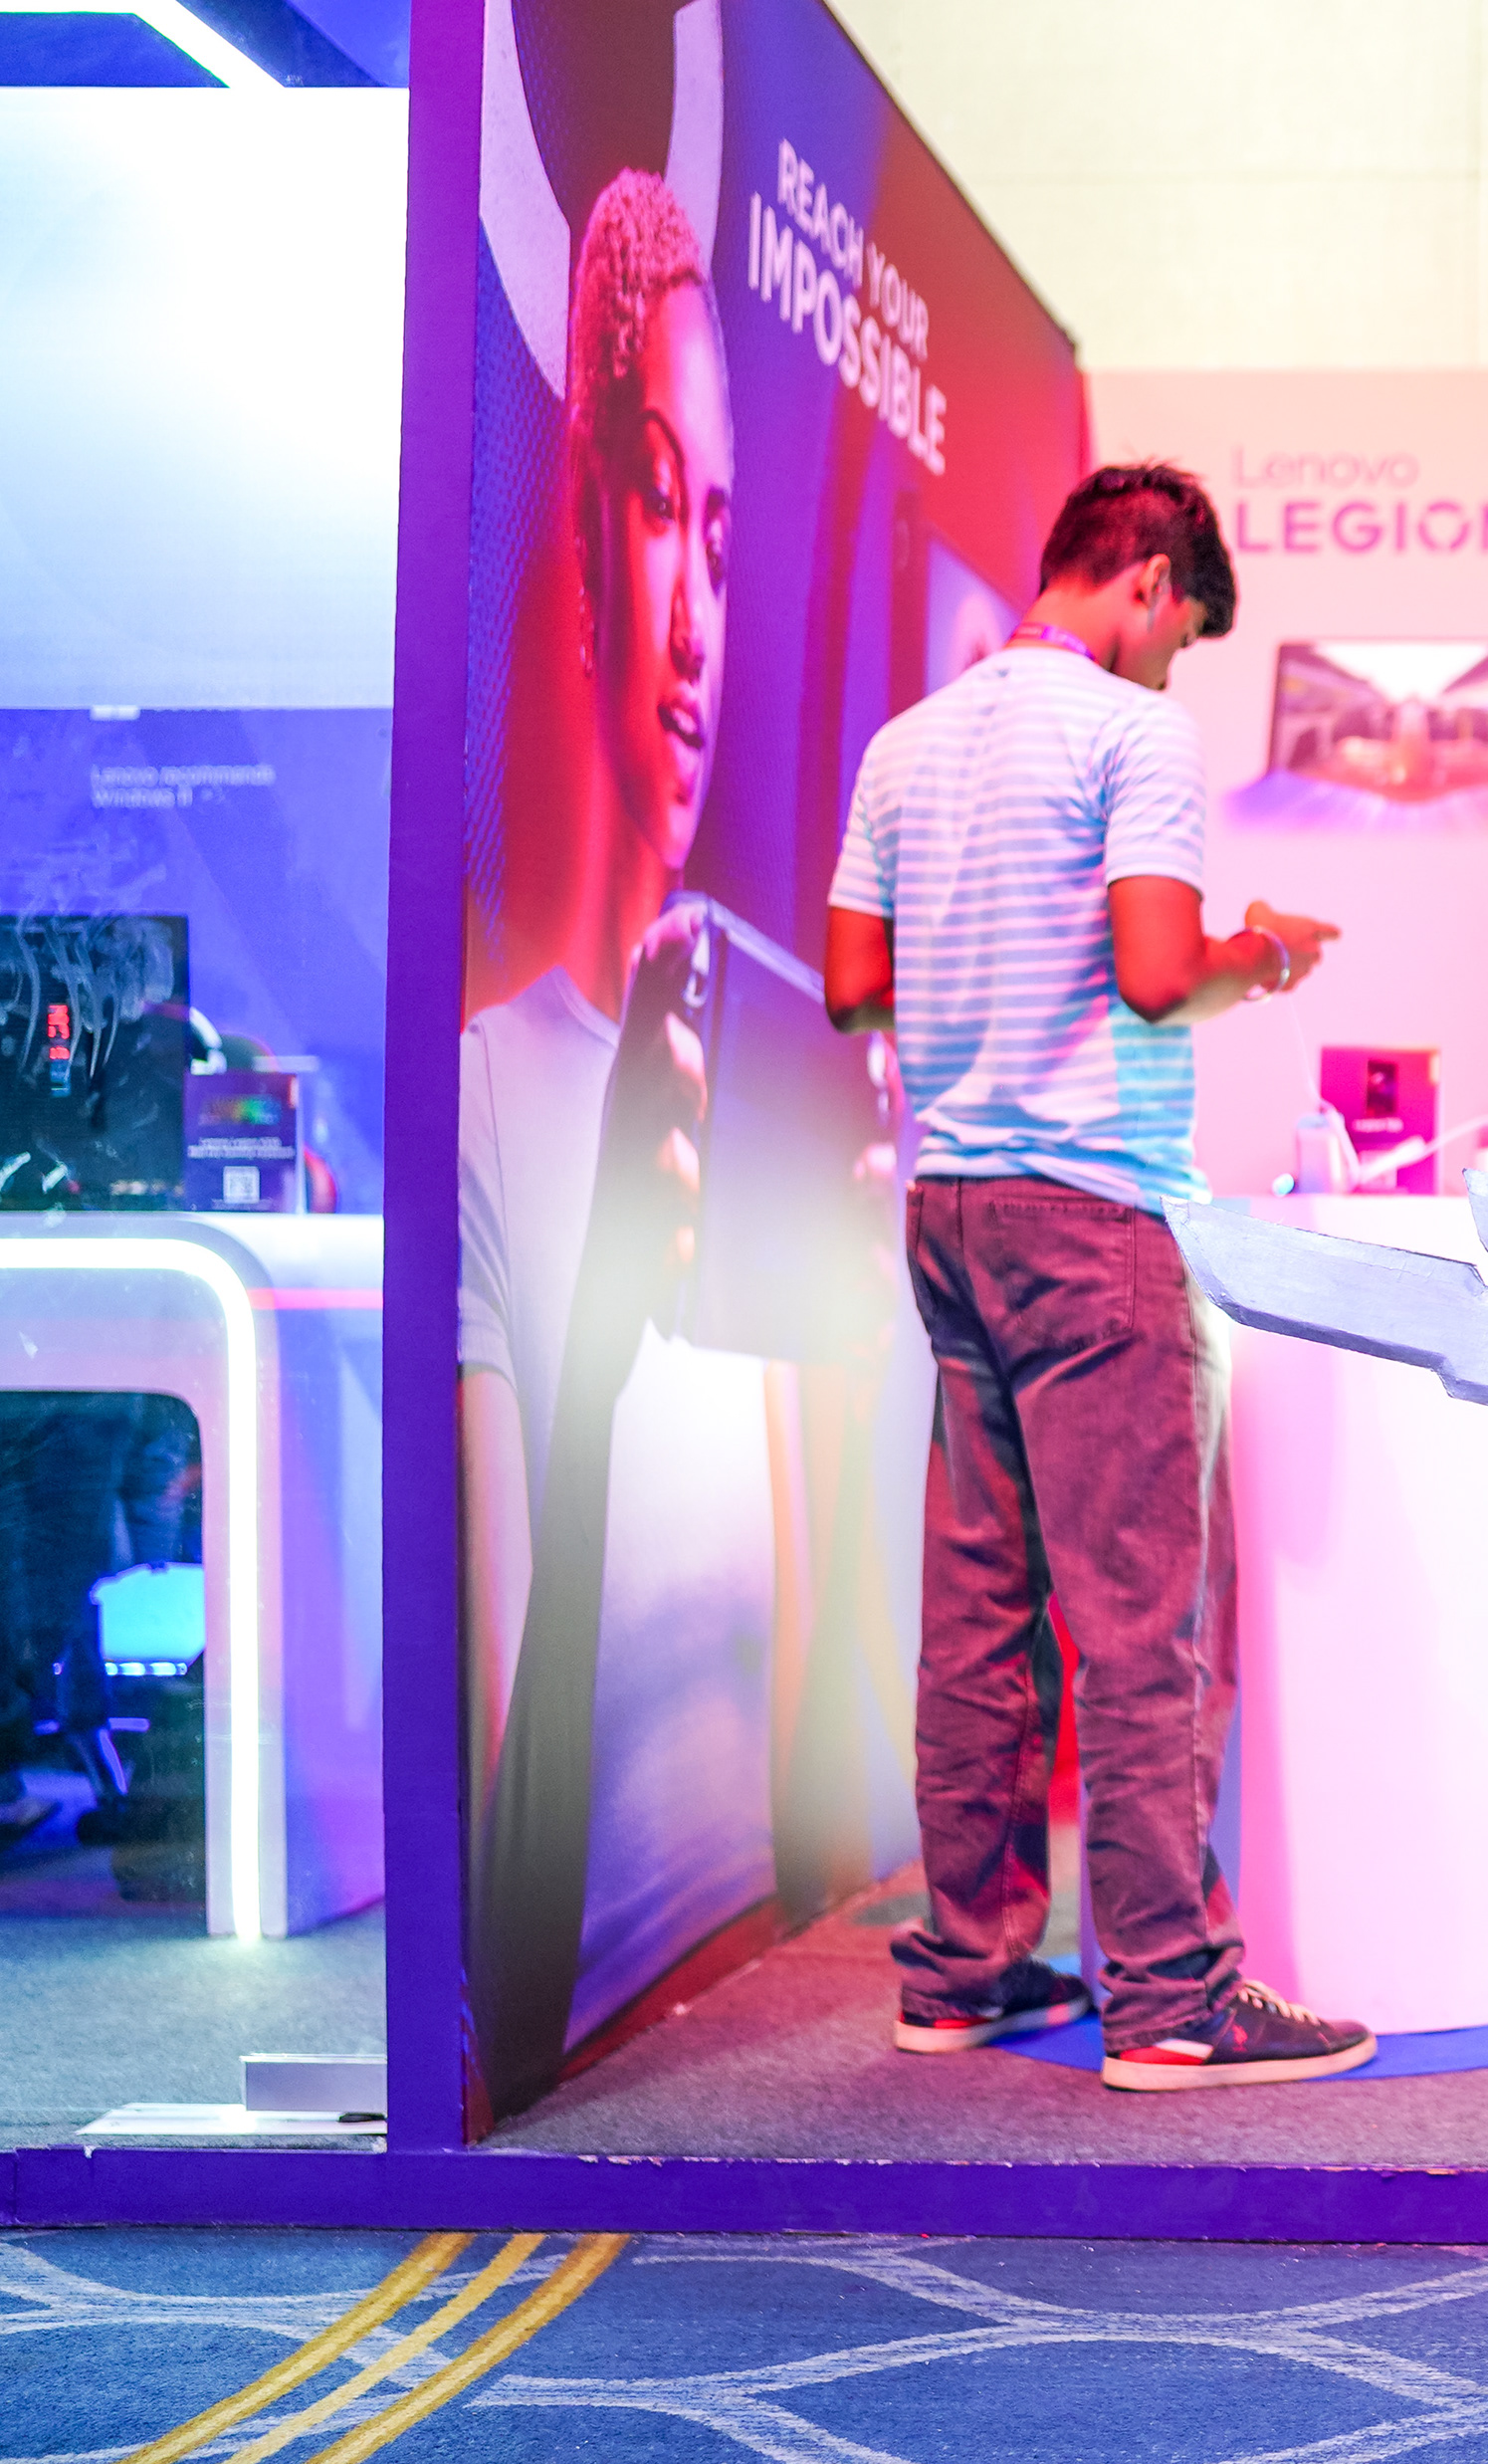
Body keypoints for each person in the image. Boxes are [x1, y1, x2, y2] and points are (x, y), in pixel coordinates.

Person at [821, 462, 1362, 2091]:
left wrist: (989, 969)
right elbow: (1155, 974)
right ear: (1146, 581)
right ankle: (1175, 1996)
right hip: (1097, 1208)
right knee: (1144, 1624)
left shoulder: (906, 744)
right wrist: (1265, 951)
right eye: (1180, 633)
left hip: (952, 1208)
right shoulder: (1136, 737)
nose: (1170, 662)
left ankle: (967, 1965)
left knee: (980, 1612)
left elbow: (852, 987)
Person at [460, 169, 792, 2110]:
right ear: (585, 533)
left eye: (724, 543)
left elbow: (804, 1746)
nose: (693, 626)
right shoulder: (492, 1091)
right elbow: (502, 1902)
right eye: (660, 506)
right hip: (594, 2053)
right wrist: (592, 1363)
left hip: (759, 2013)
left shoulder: (741, 1065)